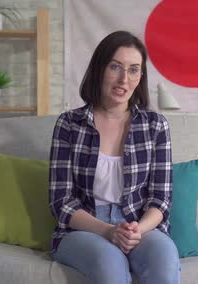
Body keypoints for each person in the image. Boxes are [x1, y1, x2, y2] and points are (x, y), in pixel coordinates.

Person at [49, 30, 179, 283]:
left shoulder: (155, 126)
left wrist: (135, 230)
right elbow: (60, 201)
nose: (124, 79)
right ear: (100, 69)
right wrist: (108, 231)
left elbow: (161, 199)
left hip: (138, 226)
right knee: (109, 262)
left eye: (133, 70)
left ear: (141, 76)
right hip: (84, 227)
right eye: (115, 67)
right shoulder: (69, 124)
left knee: (164, 259)